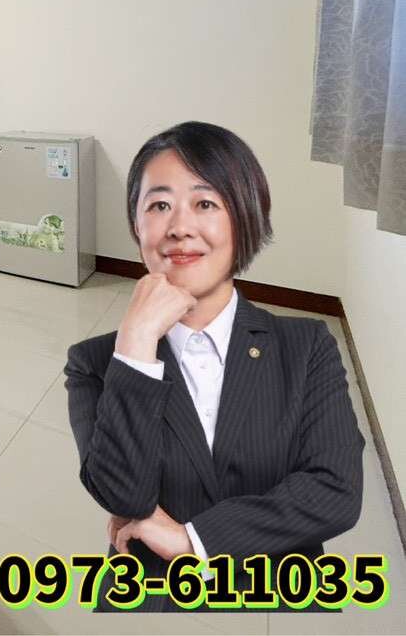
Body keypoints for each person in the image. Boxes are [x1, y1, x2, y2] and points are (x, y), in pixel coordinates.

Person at [64, 122, 364, 612]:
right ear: (137, 226)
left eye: (205, 203)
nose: (180, 227)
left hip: (279, 590)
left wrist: (193, 540)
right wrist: (136, 343)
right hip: (149, 597)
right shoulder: (95, 362)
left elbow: (336, 492)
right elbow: (124, 496)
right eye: (158, 206)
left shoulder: (306, 346)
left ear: (244, 218)